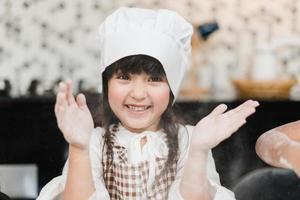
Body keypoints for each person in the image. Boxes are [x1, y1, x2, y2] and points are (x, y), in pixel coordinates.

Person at [37, 7, 259, 200]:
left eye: (154, 80)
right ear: (106, 84)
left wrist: (198, 151)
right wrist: (79, 147)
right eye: (124, 77)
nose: (138, 93)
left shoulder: (190, 140)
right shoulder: (93, 143)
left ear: (172, 89)